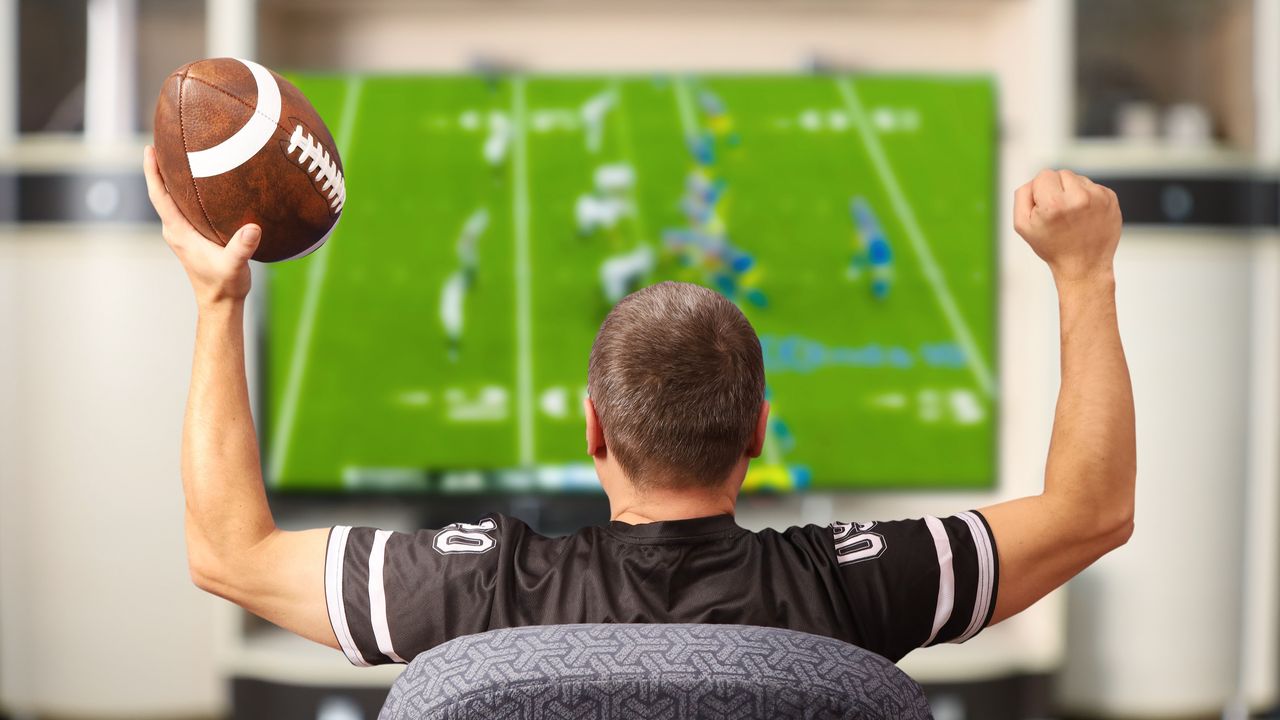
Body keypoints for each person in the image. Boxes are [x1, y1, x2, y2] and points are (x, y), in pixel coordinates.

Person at [144, 149, 1134, 667]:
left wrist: (217, 300)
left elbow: (225, 553)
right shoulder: (850, 588)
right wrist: (1083, 272)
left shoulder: (488, 589)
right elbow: (1090, 512)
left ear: (592, 431)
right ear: (756, 431)